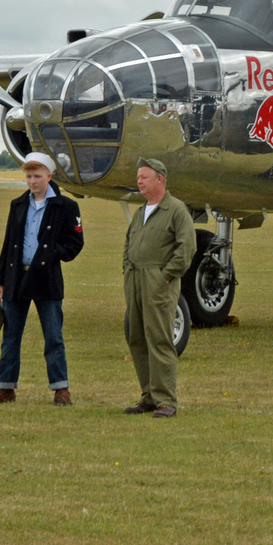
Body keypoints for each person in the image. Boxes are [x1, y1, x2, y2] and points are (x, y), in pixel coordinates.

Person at [0, 152, 85, 405]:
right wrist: (0, 281)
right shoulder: (17, 204)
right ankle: (5, 388)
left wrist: (53, 254)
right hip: (15, 278)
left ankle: (61, 389)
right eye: (29, 176)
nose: (32, 181)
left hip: (46, 278)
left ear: (49, 176)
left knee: (53, 336)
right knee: (11, 336)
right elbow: (8, 244)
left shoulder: (67, 206)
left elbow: (75, 243)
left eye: (37, 176)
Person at [122, 157, 195, 418]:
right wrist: (127, 272)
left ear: (160, 179)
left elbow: (187, 247)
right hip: (135, 281)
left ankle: (166, 400)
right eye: (138, 177)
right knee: (137, 339)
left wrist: (165, 276)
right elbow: (128, 243)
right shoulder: (142, 211)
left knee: (159, 340)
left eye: (144, 176)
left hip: (158, 283)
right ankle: (149, 397)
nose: (139, 181)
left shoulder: (176, 209)